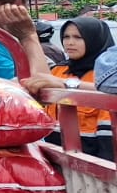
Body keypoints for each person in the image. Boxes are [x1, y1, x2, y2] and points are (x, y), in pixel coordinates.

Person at [24, 17, 115, 159]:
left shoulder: (106, 78)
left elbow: (108, 137)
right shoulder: (59, 71)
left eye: (78, 37)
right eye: (66, 37)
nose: (70, 43)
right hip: (55, 157)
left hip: (91, 162)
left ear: (95, 39)